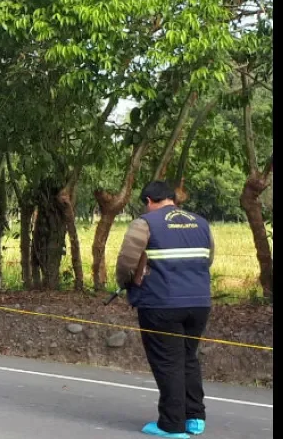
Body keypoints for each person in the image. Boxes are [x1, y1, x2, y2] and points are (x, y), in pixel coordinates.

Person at [115, 180, 215, 439]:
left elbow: (127, 262)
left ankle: (171, 425)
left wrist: (126, 283)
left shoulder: (145, 223)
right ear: (172, 198)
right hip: (199, 302)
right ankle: (195, 417)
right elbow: (208, 259)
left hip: (161, 303)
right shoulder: (201, 223)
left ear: (149, 201)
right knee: (188, 356)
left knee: (168, 361)